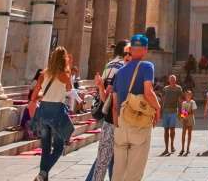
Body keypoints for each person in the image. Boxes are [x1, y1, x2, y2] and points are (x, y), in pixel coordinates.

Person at [110, 33, 160, 181]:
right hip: (138, 123)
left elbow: (114, 104)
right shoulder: (146, 66)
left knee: (118, 172)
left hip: (121, 124)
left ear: (130, 49)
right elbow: (148, 92)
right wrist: (157, 108)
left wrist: (117, 125)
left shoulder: (119, 72)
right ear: (145, 50)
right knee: (134, 173)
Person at [27, 46, 75, 181]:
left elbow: (36, 93)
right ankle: (43, 173)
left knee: (46, 147)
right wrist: (68, 68)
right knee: (59, 147)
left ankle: (43, 176)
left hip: (43, 110)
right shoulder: (65, 75)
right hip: (56, 112)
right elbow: (69, 89)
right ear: (64, 59)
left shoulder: (43, 74)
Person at [85, 39, 128, 181]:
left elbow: (103, 91)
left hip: (106, 111)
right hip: (115, 115)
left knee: (107, 155)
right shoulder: (123, 68)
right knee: (106, 157)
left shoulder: (109, 64)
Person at [158, 74, 182, 156]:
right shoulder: (165, 89)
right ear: (169, 80)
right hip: (165, 112)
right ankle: (166, 148)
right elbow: (162, 100)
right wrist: (160, 111)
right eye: (171, 79)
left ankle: (172, 145)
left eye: (173, 79)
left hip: (174, 111)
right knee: (165, 130)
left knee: (172, 129)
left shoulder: (178, 88)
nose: (172, 81)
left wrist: (182, 114)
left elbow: (180, 101)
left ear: (175, 80)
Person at [178, 89, 196, 156]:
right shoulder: (184, 103)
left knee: (189, 134)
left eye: (189, 95)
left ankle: (188, 148)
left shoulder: (193, 102)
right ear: (185, 96)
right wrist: (183, 118)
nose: (188, 96)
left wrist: (186, 113)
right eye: (187, 95)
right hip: (185, 119)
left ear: (191, 96)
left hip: (190, 119)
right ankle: (182, 148)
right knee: (183, 133)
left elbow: (193, 112)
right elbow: (183, 112)